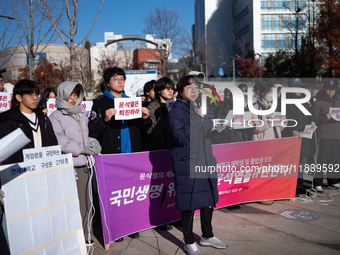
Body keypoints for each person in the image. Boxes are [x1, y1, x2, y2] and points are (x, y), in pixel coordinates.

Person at [88, 66, 150, 241]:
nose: (120, 82)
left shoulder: (131, 101)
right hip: (111, 156)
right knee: (113, 193)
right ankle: (114, 226)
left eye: (122, 78)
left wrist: (146, 117)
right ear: (108, 82)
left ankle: (130, 225)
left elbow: (143, 129)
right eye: (116, 79)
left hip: (131, 153)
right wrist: (105, 120)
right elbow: (92, 130)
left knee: (130, 191)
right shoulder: (100, 103)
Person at [167, 75, 227, 255]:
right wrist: (198, 119)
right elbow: (180, 137)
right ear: (180, 91)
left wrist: (223, 128)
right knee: (189, 202)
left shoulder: (200, 107)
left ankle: (207, 236)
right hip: (188, 162)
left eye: (196, 88)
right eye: (189, 88)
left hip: (206, 159)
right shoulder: (176, 111)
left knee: (208, 199)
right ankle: (189, 241)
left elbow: (207, 132)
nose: (194, 91)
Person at [49, 81, 101, 246]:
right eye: (71, 94)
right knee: (73, 205)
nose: (73, 98)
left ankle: (86, 236)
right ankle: (73, 240)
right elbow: (60, 140)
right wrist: (82, 148)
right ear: (63, 94)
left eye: (76, 95)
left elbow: (85, 138)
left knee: (87, 203)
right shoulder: (55, 117)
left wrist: (94, 143)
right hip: (69, 167)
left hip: (85, 165)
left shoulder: (81, 114)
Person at [0, 80, 58, 164]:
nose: (35, 98)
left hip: (44, 169)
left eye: (36, 94)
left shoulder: (43, 119)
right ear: (19, 97)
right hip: (20, 172)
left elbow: (53, 145)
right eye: (30, 95)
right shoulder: (9, 121)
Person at [281, 78, 315, 196]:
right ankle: (290, 187)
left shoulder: (304, 100)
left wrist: (312, 121)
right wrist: (292, 130)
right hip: (291, 136)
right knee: (291, 163)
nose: (301, 90)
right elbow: (284, 118)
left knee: (302, 160)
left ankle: (299, 186)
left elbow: (310, 113)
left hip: (305, 134)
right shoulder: (284, 101)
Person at [312, 80, 340, 192]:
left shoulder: (338, 101)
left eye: (333, 89)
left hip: (337, 136)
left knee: (334, 160)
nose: (331, 91)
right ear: (324, 89)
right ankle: (317, 183)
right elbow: (313, 119)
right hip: (323, 136)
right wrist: (324, 118)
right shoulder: (318, 102)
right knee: (321, 160)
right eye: (329, 89)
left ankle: (333, 181)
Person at [146, 77, 174, 151]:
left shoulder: (176, 105)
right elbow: (152, 132)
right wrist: (165, 114)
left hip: (174, 147)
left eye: (172, 89)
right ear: (158, 90)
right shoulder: (152, 107)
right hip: (159, 149)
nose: (170, 91)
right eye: (167, 89)